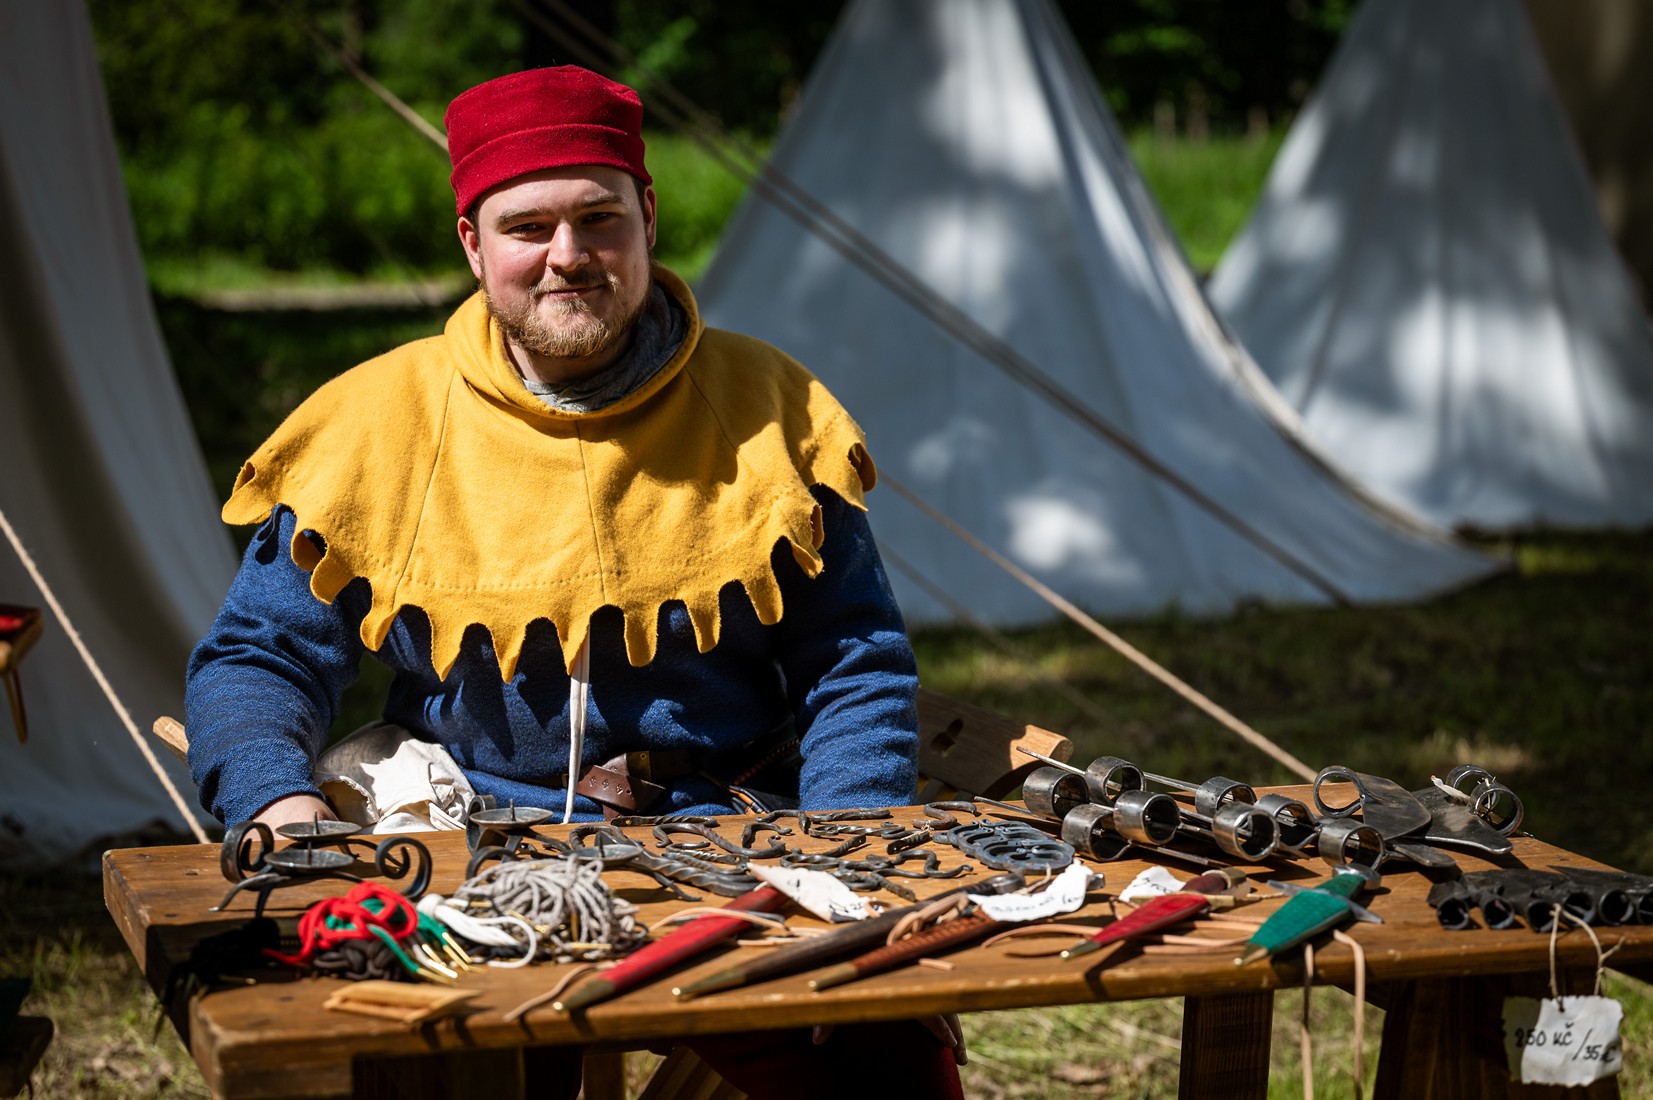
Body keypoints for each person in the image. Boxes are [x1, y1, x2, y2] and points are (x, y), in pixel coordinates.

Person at [185, 66, 961, 1098]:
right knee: (401, 1052)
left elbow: (852, 659)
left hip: (720, 841)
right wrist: (275, 799)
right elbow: (260, 654)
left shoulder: (772, 409)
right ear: (473, 243)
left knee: (883, 1056)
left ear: (648, 218)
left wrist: (843, 849)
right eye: (527, 227)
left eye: (599, 218)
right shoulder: (371, 423)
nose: (567, 254)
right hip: (467, 850)